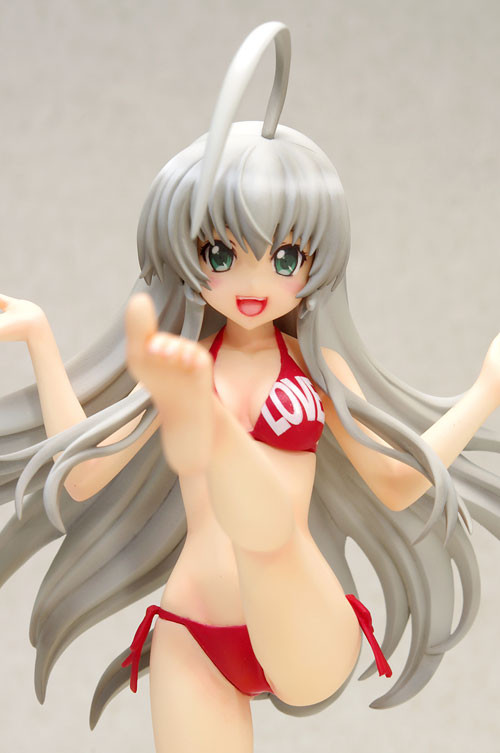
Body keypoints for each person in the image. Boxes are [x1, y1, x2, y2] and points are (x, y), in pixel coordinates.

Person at [1, 22, 499, 753]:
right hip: (193, 628)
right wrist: (40, 339)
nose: (253, 280)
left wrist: (486, 389)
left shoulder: (312, 369)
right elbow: (81, 477)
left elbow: (397, 480)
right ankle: (211, 440)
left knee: (266, 536)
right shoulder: (182, 365)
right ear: (185, 254)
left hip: (301, 623)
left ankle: (215, 442)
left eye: (286, 257)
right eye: (220, 253)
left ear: (317, 263)